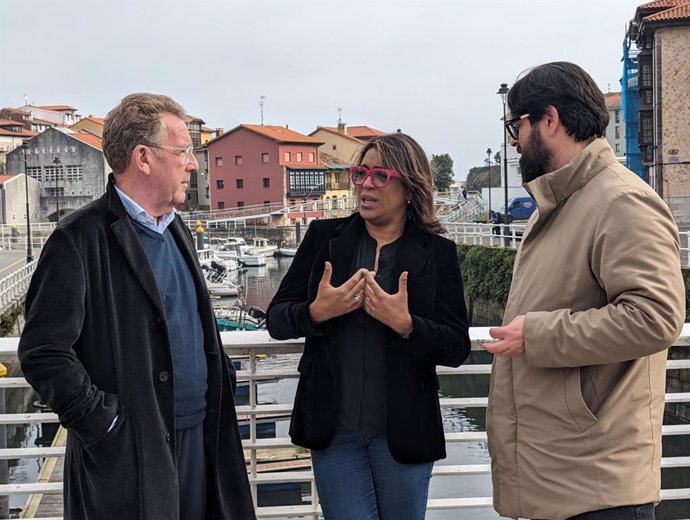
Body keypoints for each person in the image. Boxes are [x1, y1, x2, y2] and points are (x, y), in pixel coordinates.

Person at [18, 93, 256, 520]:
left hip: (201, 439)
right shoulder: (79, 239)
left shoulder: (175, 228)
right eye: (183, 151)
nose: (194, 164)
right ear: (143, 158)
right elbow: (43, 353)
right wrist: (104, 424)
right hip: (130, 457)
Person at [484, 62, 686, 520]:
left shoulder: (620, 200)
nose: (514, 140)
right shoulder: (562, 203)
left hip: (597, 486)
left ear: (548, 120)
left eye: (517, 125)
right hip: (563, 477)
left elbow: (655, 317)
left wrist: (535, 336)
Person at [267, 132, 471, 519]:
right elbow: (278, 318)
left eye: (380, 175)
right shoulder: (324, 238)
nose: (364, 184)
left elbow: (456, 345)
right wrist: (316, 312)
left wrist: (406, 324)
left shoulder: (438, 252)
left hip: (405, 431)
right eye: (360, 173)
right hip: (334, 432)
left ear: (409, 187)